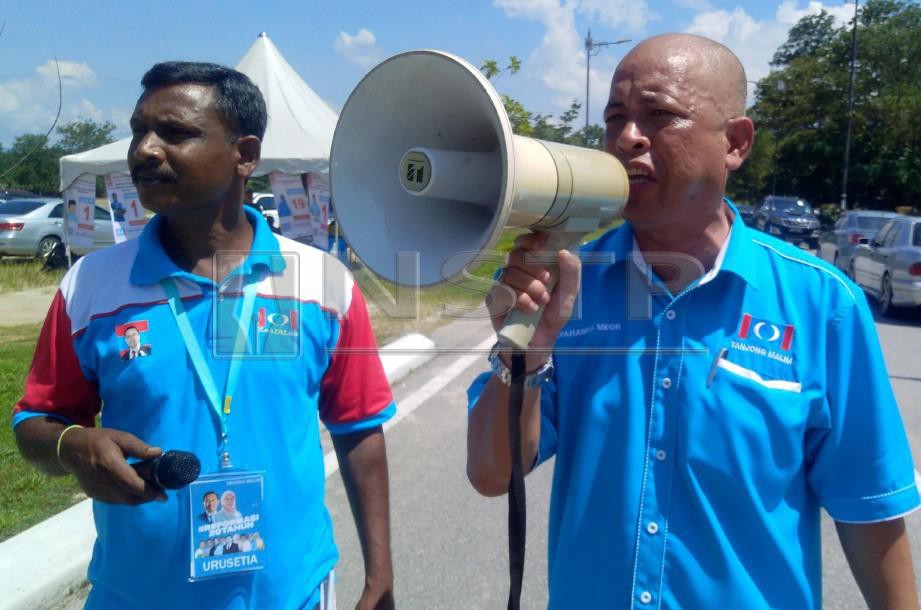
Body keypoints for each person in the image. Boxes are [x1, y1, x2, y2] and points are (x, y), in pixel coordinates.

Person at [466, 34, 920, 609]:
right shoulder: (569, 285)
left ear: (734, 143)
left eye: (659, 115)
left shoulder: (824, 305)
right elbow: (489, 473)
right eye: (615, 118)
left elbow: (869, 509)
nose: (627, 137)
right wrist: (524, 350)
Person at [13, 61, 395, 610]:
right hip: (136, 597)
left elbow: (359, 430)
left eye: (174, 132)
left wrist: (380, 576)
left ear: (245, 154)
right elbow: (34, 421)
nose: (144, 149)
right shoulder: (91, 287)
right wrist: (73, 445)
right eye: (139, 129)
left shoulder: (320, 283)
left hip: (291, 595)